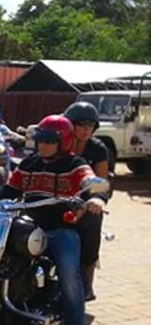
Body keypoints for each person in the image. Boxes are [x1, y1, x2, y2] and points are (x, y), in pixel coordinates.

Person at [0, 115, 107, 325]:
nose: (43, 146)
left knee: (70, 279)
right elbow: (9, 190)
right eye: (40, 140)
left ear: (64, 142)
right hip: (27, 228)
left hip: (61, 231)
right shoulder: (29, 163)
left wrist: (98, 197)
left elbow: (94, 182)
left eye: (50, 141)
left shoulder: (75, 164)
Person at [65, 101, 108, 301]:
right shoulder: (59, 144)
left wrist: (97, 199)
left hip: (84, 202)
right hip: (56, 198)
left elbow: (101, 182)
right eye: (81, 124)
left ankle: (87, 281)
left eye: (91, 125)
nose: (86, 129)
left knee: (91, 225)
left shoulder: (97, 148)